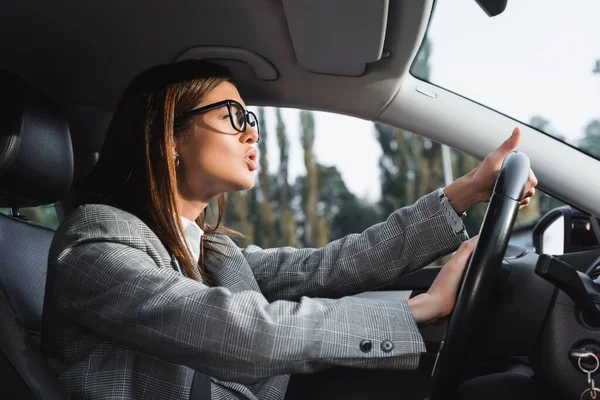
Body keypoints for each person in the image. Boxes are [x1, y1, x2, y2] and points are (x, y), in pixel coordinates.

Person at [41, 60, 537, 400]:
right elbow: (241, 331)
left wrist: (469, 189)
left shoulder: (210, 249)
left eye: (250, 117)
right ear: (167, 135)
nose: (251, 130)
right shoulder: (94, 243)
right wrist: (419, 309)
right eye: (231, 115)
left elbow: (327, 267)